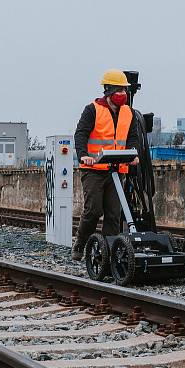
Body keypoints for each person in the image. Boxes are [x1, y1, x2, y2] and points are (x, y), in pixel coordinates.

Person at [71, 69, 140, 261]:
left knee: (113, 214)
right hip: (94, 169)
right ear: (108, 90)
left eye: (124, 90)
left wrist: (133, 154)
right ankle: (80, 244)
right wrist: (83, 155)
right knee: (93, 210)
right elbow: (81, 134)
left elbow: (133, 137)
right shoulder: (92, 109)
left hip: (117, 170)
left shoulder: (129, 113)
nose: (122, 95)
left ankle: (109, 252)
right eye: (118, 90)